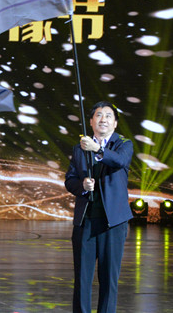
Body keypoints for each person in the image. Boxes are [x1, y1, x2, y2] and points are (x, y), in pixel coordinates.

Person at [64, 101, 133, 313]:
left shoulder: (123, 144)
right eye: (99, 115)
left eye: (108, 116)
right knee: (82, 278)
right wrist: (82, 186)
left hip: (113, 222)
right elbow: (70, 180)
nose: (103, 119)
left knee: (109, 278)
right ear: (91, 121)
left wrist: (98, 149)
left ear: (115, 123)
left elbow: (119, 161)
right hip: (85, 222)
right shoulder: (79, 148)